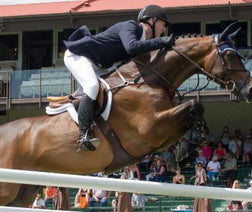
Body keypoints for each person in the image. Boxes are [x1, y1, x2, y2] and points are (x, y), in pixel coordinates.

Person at [63, 5, 175, 152]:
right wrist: (161, 42)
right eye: (163, 24)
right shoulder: (130, 27)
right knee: (92, 86)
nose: (163, 30)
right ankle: (83, 136)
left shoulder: (142, 41)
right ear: (152, 20)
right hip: (78, 56)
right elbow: (131, 47)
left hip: (98, 65)